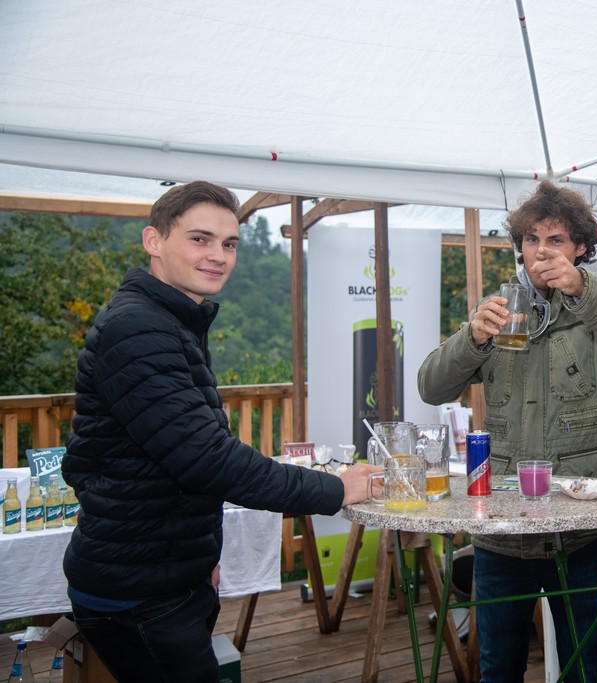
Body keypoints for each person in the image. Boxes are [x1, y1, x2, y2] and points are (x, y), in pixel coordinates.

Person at [61, 181, 380, 683]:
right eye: (200, 239)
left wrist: (196, 558)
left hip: (162, 575)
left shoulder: (169, 320)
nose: (218, 255)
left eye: (229, 243)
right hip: (140, 590)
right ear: (153, 240)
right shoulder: (139, 329)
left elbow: (147, 458)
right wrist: (335, 488)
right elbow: (207, 459)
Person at [418, 180, 597, 682]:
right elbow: (431, 387)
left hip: (582, 528)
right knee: (498, 670)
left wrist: (583, 289)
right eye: (532, 239)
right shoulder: (499, 307)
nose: (541, 251)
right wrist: (472, 338)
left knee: (584, 667)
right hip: (502, 529)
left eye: (556, 240)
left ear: (580, 247)